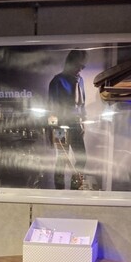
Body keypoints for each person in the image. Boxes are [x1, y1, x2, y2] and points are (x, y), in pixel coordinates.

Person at [48, 49, 88, 190]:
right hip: (61, 126)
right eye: (78, 65)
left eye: (83, 66)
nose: (80, 69)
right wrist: (53, 130)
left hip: (76, 125)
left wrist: (83, 123)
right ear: (71, 63)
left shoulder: (80, 81)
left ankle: (74, 188)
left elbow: (82, 105)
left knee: (82, 158)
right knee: (62, 159)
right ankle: (59, 190)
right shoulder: (57, 81)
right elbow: (51, 108)